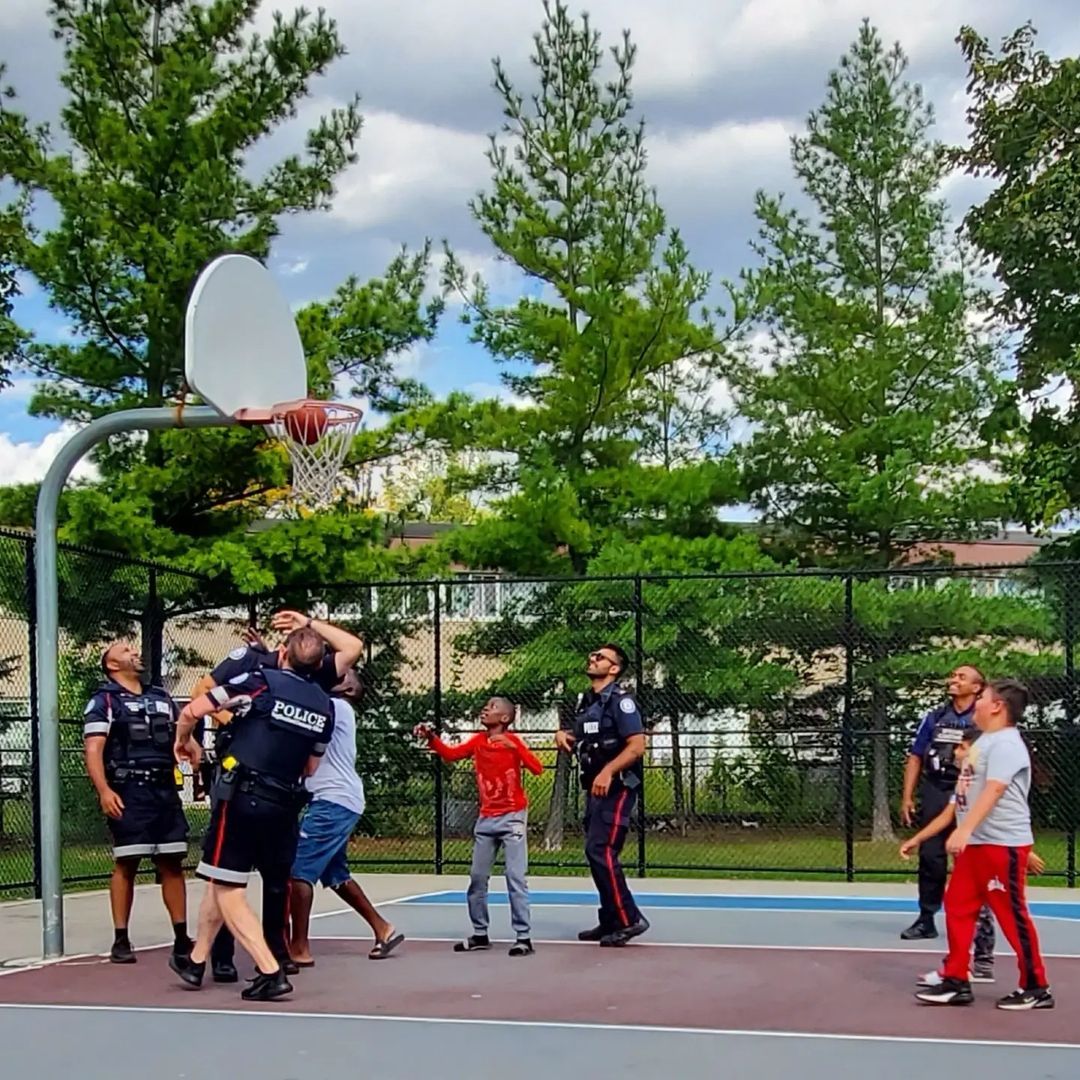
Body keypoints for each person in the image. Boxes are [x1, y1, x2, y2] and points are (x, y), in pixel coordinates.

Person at [191, 611, 363, 982]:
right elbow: (201, 694)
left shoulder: (314, 679)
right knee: (226, 876)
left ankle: (272, 957)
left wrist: (308, 623)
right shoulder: (254, 666)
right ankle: (214, 957)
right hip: (248, 781)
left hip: (275, 790)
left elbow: (352, 648)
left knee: (259, 879)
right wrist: (239, 722)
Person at [170, 626, 334, 1001]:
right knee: (219, 875)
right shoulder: (324, 705)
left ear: (282, 653)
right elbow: (311, 767)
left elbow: (195, 708)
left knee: (228, 888)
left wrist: (184, 741)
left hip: (243, 796)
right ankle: (196, 960)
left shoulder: (261, 681)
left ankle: (269, 969)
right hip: (284, 803)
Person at [914, 678, 1054, 1010]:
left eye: (982, 698)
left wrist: (964, 830)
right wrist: (966, 831)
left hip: (1000, 844)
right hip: (978, 844)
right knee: (959, 906)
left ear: (997, 706)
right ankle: (956, 979)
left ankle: (1036, 986)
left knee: (1012, 914)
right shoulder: (985, 742)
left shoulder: (1006, 743)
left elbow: (994, 790)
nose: (976, 702)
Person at [899, 729, 1045, 988]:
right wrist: (917, 839)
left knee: (1003, 914)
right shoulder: (965, 780)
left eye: (962, 747)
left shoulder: (995, 770)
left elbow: (1004, 810)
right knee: (958, 906)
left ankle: (1024, 980)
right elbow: (948, 815)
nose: (956, 752)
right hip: (974, 851)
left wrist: (1024, 849)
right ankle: (956, 974)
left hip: (997, 849)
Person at [82, 640, 192, 965]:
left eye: (134, 648)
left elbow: (180, 732)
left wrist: (191, 746)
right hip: (129, 791)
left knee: (172, 862)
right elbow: (94, 750)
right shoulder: (104, 700)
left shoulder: (160, 696)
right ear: (112, 665)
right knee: (127, 863)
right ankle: (121, 938)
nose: (134, 652)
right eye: (125, 650)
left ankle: (182, 936)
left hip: (164, 791)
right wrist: (104, 790)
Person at [288, 667, 404, 965]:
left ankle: (298, 948)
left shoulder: (336, 707)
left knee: (298, 873)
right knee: (335, 874)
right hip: (335, 799)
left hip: (333, 801)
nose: (336, 671)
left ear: (349, 690)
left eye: (345, 674)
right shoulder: (329, 706)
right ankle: (383, 928)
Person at [414, 696, 543, 956]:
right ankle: (480, 933)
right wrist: (431, 738)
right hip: (486, 819)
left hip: (513, 817)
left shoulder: (513, 742)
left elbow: (537, 768)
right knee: (477, 878)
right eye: (485, 705)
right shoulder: (478, 741)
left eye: (493, 707)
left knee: (515, 876)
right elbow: (451, 755)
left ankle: (523, 937)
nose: (486, 708)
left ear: (505, 718)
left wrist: (514, 747)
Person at [555, 644, 649, 947]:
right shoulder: (588, 702)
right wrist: (563, 734)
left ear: (614, 668)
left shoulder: (622, 702)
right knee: (596, 851)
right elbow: (585, 736)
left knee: (602, 850)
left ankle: (629, 919)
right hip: (594, 787)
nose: (592, 658)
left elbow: (636, 746)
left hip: (618, 786)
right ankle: (610, 918)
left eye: (600, 657)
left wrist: (609, 771)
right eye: (592, 654)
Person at [899, 665, 984, 940]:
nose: (954, 680)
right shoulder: (935, 717)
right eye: (954, 675)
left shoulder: (982, 718)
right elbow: (915, 756)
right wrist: (907, 797)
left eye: (962, 677)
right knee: (931, 856)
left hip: (970, 790)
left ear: (977, 687)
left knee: (969, 856)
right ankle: (926, 918)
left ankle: (973, 920)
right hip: (937, 788)